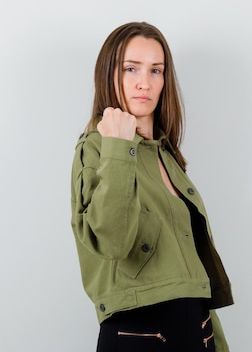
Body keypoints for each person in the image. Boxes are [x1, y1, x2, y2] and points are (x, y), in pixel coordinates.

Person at [71, 22, 234, 352]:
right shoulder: (98, 148)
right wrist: (118, 145)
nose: (144, 83)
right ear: (108, 75)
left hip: (197, 330)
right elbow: (112, 241)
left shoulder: (166, 154)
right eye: (131, 68)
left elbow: (193, 273)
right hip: (141, 334)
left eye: (155, 71)